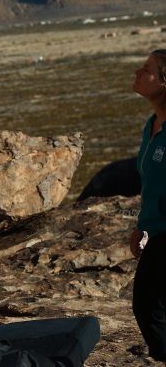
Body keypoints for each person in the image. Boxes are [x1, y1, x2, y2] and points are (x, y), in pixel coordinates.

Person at [131, 49, 166, 365]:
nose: (139, 73)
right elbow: (151, 183)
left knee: (148, 304)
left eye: (147, 70)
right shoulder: (151, 125)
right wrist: (141, 225)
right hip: (157, 231)